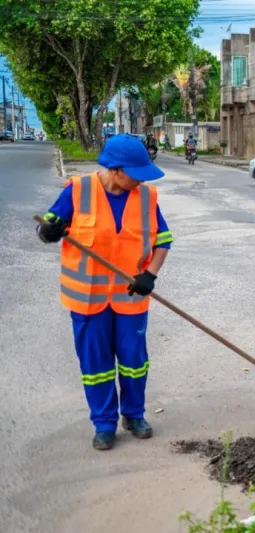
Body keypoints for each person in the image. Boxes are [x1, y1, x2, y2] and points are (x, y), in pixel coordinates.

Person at [36, 134, 173, 451]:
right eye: (135, 173)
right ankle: (104, 423)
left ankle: (134, 415)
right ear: (116, 169)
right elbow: (47, 227)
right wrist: (48, 231)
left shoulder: (146, 197)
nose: (140, 180)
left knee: (134, 361)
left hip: (131, 296)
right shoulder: (78, 190)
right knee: (96, 365)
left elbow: (163, 240)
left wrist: (149, 275)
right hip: (87, 300)